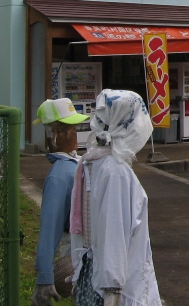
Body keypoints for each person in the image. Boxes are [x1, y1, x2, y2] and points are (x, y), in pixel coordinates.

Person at [70, 89, 161, 306]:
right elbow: (114, 231)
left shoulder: (92, 160)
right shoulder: (116, 171)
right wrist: (112, 290)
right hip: (115, 289)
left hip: (92, 276)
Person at [31, 98, 90, 306]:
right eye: (70, 129)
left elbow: (51, 227)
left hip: (79, 247)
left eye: (74, 129)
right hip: (82, 247)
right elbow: (51, 226)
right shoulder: (68, 170)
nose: (74, 134)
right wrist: (45, 276)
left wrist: (45, 277)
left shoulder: (64, 170)